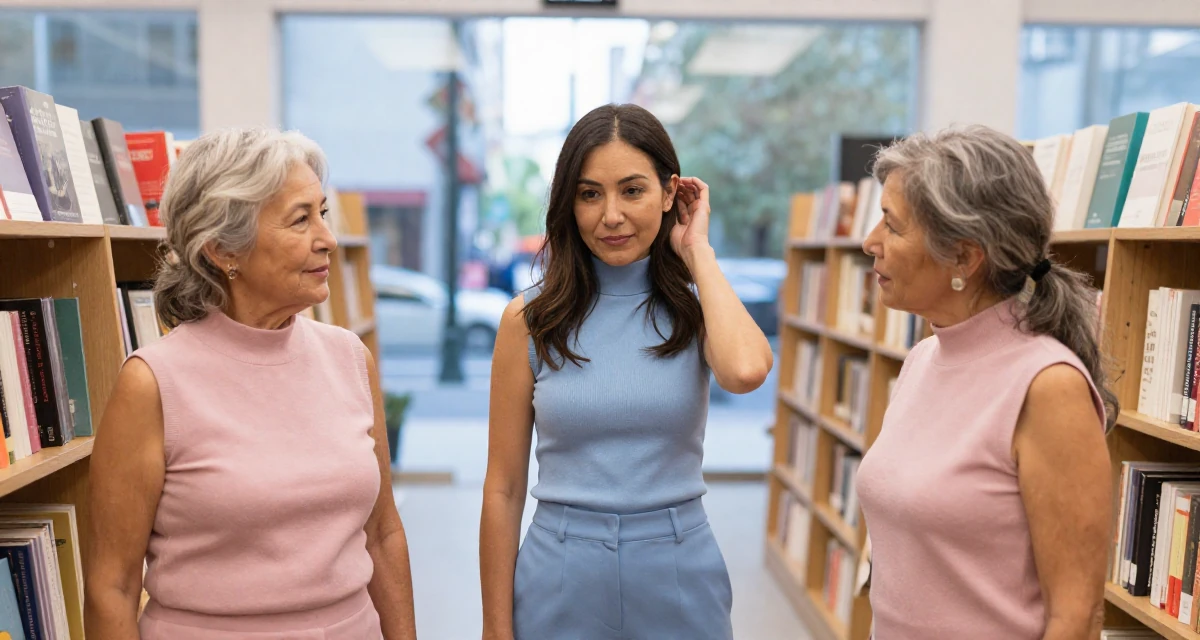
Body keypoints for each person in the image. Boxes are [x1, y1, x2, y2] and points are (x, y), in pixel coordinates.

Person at [85, 128, 418, 639]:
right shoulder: (152, 383)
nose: (327, 238)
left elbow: (382, 533)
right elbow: (113, 586)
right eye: (300, 219)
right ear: (223, 249)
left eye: (322, 213)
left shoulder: (349, 357)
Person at [479, 104, 774, 640]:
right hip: (558, 573)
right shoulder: (529, 320)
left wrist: (698, 251)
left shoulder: (696, 308)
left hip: (680, 570)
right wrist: (495, 627)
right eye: (590, 193)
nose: (610, 215)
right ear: (569, 204)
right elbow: (503, 487)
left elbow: (746, 370)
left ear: (669, 194)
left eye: (632, 190)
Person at [855, 125, 1114, 639]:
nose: (870, 243)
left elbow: (1076, 616)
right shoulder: (923, 359)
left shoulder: (1047, 386)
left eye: (893, 226)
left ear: (965, 258)